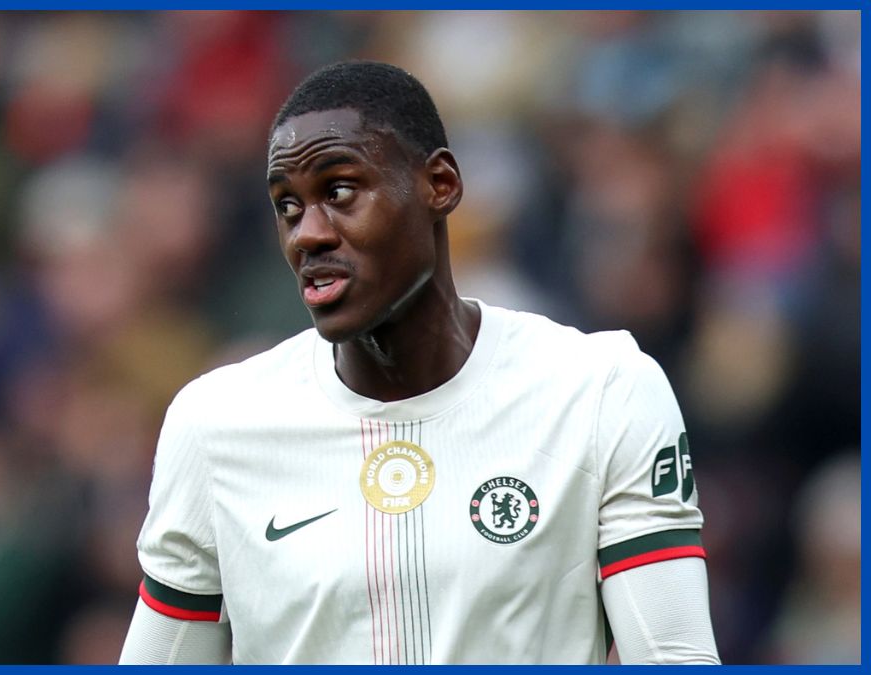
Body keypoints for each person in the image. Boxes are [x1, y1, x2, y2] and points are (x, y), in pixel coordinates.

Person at [118, 61, 720, 664]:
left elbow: (674, 657)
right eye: (288, 207)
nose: (309, 234)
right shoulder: (216, 424)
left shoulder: (600, 390)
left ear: (440, 184)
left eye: (339, 191)